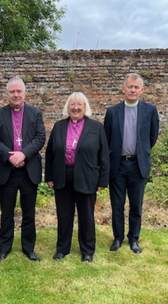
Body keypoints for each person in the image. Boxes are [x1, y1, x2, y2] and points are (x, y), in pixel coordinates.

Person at [45, 92, 109, 262]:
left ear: (85, 107)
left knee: (86, 216)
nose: (75, 107)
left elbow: (104, 156)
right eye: (72, 104)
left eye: (79, 104)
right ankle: (62, 249)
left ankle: (87, 251)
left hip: (87, 177)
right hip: (62, 176)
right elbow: (50, 153)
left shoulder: (96, 128)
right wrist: (49, 176)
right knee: (64, 215)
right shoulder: (59, 126)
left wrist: (103, 180)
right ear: (68, 107)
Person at [0, 76, 46, 262]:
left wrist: (23, 155)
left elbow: (40, 137)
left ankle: (28, 248)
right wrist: (10, 156)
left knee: (29, 212)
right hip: (8, 170)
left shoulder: (35, 113)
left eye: (18, 91)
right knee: (7, 212)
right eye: (12, 91)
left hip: (29, 170)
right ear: (7, 94)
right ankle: (4, 248)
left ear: (24, 93)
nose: (15, 95)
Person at [104, 73, 159, 254]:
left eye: (136, 87)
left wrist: (141, 153)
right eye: (130, 86)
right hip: (118, 166)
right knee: (117, 205)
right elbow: (107, 138)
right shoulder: (112, 112)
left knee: (136, 205)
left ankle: (134, 239)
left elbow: (152, 137)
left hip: (138, 165)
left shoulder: (150, 111)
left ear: (142, 90)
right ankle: (118, 238)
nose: (132, 90)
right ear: (124, 89)